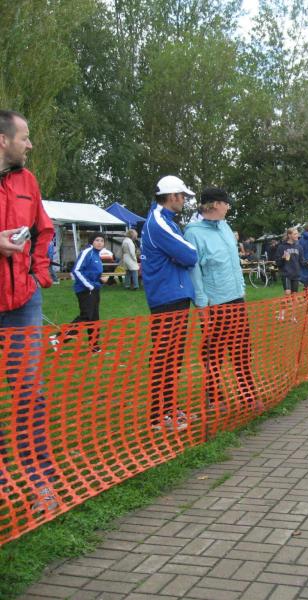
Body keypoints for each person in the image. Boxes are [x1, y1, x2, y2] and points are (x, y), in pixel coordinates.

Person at [0, 109, 57, 512]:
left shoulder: (28, 181)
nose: (30, 144)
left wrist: (38, 274)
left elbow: (44, 229)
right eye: (25, 137)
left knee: (28, 392)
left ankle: (41, 482)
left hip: (23, 301)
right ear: (3, 140)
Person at [184, 187, 258, 413]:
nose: (228, 207)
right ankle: (214, 396)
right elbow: (194, 271)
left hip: (236, 298)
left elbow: (234, 261)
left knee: (242, 350)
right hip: (214, 303)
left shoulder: (225, 226)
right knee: (213, 353)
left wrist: (242, 288)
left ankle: (248, 394)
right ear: (215, 204)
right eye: (226, 203)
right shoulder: (193, 233)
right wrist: (201, 303)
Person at [141, 175, 198, 432]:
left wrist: (180, 257)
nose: (184, 200)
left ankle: (170, 408)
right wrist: (180, 257)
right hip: (167, 296)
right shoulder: (158, 222)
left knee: (172, 357)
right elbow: (190, 254)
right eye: (182, 196)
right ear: (172, 196)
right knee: (164, 356)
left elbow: (183, 255)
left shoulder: (166, 221)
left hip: (174, 293)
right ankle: (158, 415)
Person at [66, 233, 108, 351]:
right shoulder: (87, 252)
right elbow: (76, 270)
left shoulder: (97, 254)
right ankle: (59, 338)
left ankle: (94, 346)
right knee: (86, 316)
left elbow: (92, 273)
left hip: (94, 289)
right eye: (97, 240)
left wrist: (100, 280)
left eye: (102, 241)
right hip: (85, 290)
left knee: (94, 319)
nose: (100, 243)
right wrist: (90, 286)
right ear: (92, 241)